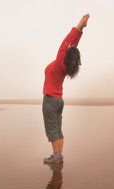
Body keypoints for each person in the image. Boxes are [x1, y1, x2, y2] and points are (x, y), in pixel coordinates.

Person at [42, 14, 90, 164]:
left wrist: (79, 24)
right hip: (59, 101)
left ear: (66, 55)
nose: (67, 48)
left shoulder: (59, 61)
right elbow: (72, 45)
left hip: (50, 100)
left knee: (52, 131)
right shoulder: (67, 65)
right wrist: (81, 29)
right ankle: (58, 155)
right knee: (58, 129)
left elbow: (67, 41)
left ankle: (56, 157)